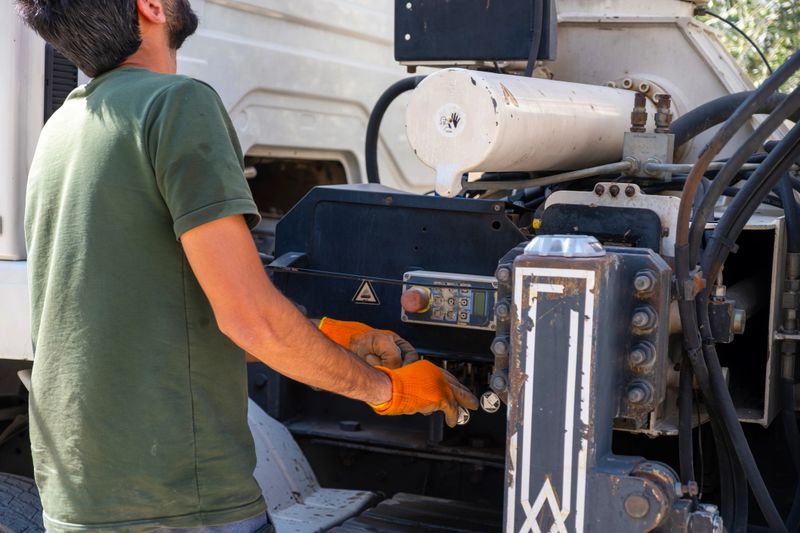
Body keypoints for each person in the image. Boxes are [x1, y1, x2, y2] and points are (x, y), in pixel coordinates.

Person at [16, 0, 479, 531]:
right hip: (183, 504)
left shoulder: (64, 126)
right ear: (149, 6)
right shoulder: (177, 103)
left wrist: (332, 335)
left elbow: (168, 319)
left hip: (80, 501)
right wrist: (387, 391)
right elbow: (251, 319)